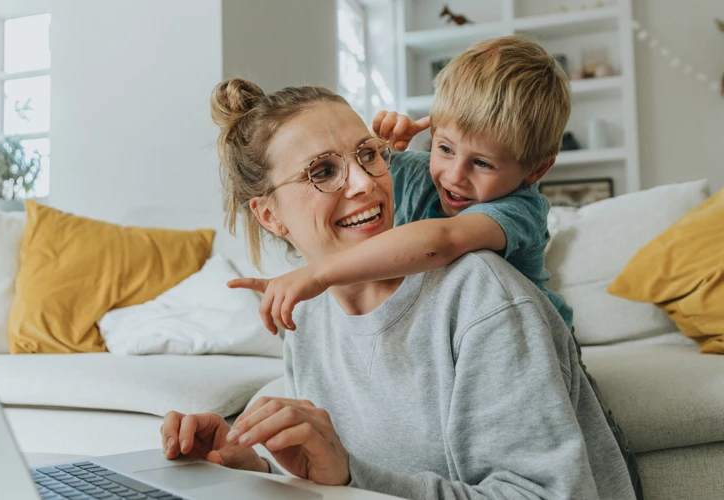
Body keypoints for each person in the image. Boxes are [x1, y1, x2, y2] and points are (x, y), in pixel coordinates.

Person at [159, 77, 636, 499]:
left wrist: (349, 476)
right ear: (269, 215)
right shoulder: (306, 317)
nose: (365, 183)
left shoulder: (483, 298)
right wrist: (254, 469)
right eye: (323, 171)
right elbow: (340, 480)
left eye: (368, 155)